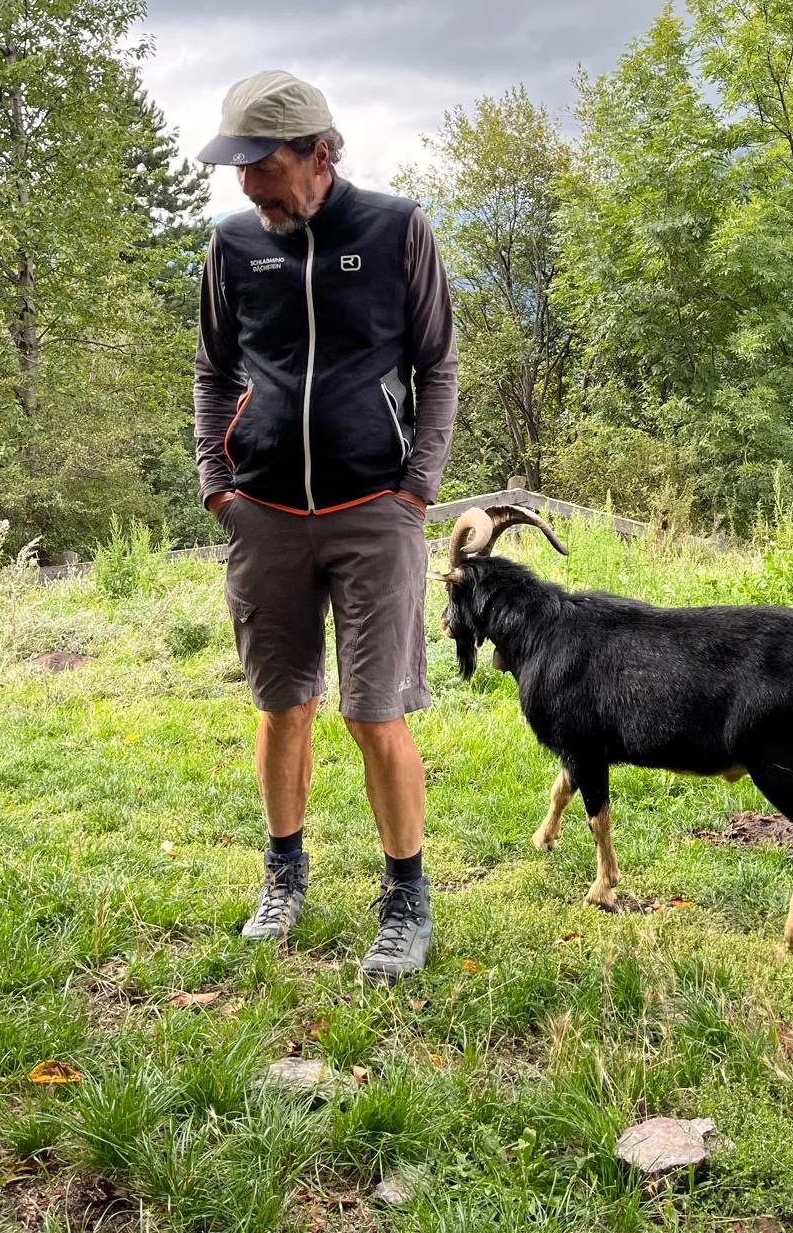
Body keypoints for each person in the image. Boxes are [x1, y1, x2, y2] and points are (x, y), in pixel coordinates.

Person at [192, 70, 457, 980]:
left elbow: (438, 367)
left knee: (375, 712)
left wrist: (417, 489)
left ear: (320, 154)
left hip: (374, 512)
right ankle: (284, 872)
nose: (247, 185)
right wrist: (215, 479)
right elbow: (214, 371)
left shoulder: (395, 230)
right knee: (282, 705)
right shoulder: (232, 246)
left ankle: (406, 896)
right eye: (236, 166)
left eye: (261, 165)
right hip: (262, 513)